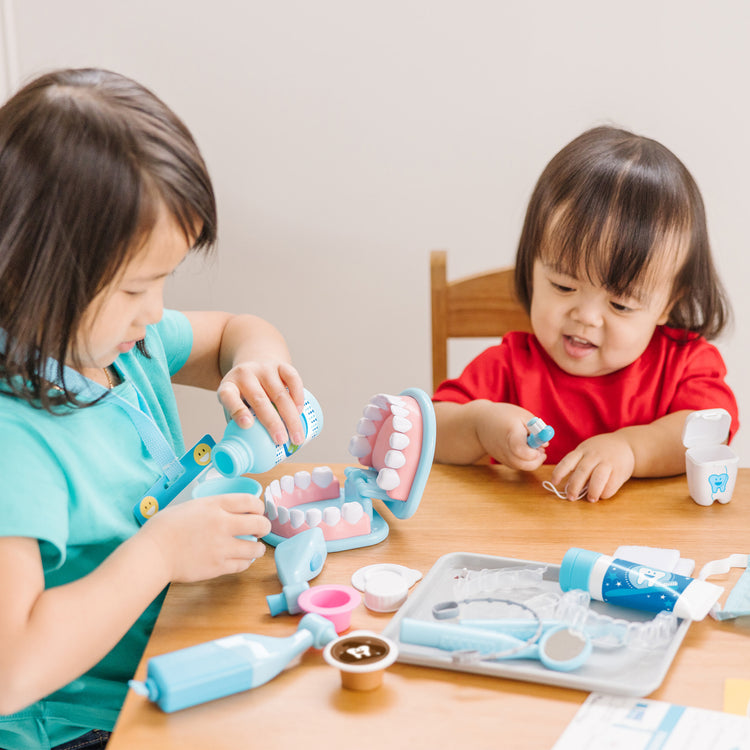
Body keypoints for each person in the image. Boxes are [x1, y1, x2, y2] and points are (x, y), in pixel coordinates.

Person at [0, 68, 307, 750]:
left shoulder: (117, 346)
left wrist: (256, 359)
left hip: (155, 662)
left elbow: (235, 328)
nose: (158, 311)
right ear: (32, 271)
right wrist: (160, 554)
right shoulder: (13, 439)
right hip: (72, 727)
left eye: (164, 281)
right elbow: (11, 670)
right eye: (138, 287)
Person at [433, 125, 738, 503]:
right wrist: (479, 425)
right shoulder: (510, 366)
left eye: (620, 304)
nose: (587, 317)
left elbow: (710, 433)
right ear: (532, 266)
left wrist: (630, 448)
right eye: (563, 286)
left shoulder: (684, 364)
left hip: (649, 548)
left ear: (669, 304)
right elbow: (432, 432)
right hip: (521, 547)